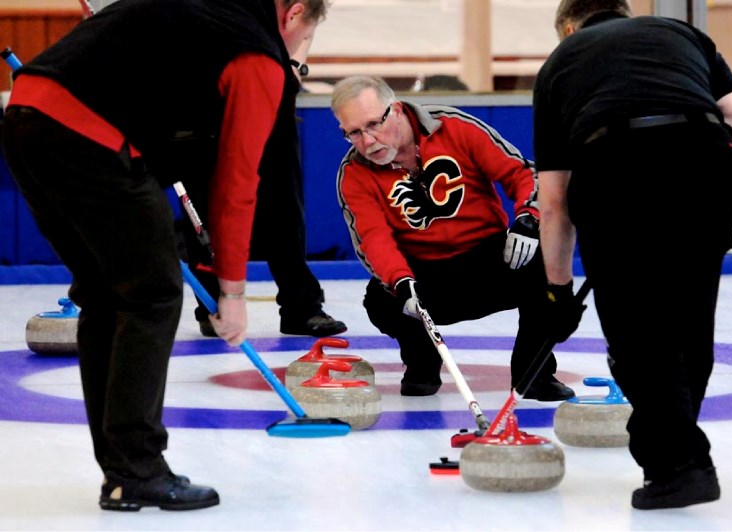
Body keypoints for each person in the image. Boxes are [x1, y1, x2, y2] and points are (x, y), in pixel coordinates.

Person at [1, 0, 329, 512]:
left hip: (26, 115)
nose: (296, 54)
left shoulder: (203, 14)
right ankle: (138, 468)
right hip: (87, 133)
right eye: (304, 40)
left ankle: (122, 470)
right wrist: (233, 292)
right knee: (151, 294)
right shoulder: (257, 55)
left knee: (107, 296)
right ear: (293, 13)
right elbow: (238, 184)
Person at [532, 0, 732, 510]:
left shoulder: (561, 60)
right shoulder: (679, 33)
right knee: (689, 321)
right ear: (627, 14)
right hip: (707, 160)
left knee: (637, 331)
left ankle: (680, 466)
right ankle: (676, 455)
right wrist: (702, 161)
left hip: (615, 168)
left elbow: (553, 201)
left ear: (569, 28)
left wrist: (558, 289)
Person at [330, 75, 575, 400]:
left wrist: (528, 221)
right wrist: (400, 281)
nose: (368, 141)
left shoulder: (454, 127)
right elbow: (372, 239)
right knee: (380, 299)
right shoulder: (354, 173)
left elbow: (520, 173)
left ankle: (535, 375)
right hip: (426, 276)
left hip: (489, 259)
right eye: (354, 133)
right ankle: (422, 364)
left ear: (398, 109)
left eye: (374, 124)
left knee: (547, 260)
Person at [185, 34, 347, 339]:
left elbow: (307, 11)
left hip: (268, 82)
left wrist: (295, 62)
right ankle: (211, 306)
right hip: (205, 87)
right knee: (204, 202)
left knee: (283, 199)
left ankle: (302, 306)